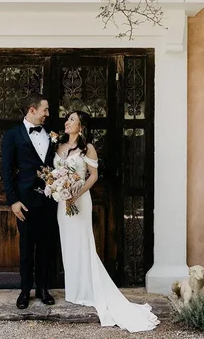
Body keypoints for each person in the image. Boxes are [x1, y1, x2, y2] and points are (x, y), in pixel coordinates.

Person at [55, 111, 160, 332]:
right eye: (67, 119)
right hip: (62, 203)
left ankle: (86, 290)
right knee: (68, 244)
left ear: (81, 126)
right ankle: (73, 290)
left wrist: (77, 193)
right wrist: (59, 189)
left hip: (80, 200)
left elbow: (93, 175)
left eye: (72, 119)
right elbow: (56, 173)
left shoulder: (88, 148)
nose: (67, 122)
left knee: (83, 243)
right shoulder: (59, 147)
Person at [1, 93, 57, 310]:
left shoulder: (52, 135)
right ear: (32, 110)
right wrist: (13, 201)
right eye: (45, 110)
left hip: (49, 200)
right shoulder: (12, 135)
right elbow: (6, 171)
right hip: (24, 203)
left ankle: (43, 289)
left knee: (46, 247)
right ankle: (25, 290)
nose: (48, 114)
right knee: (26, 248)